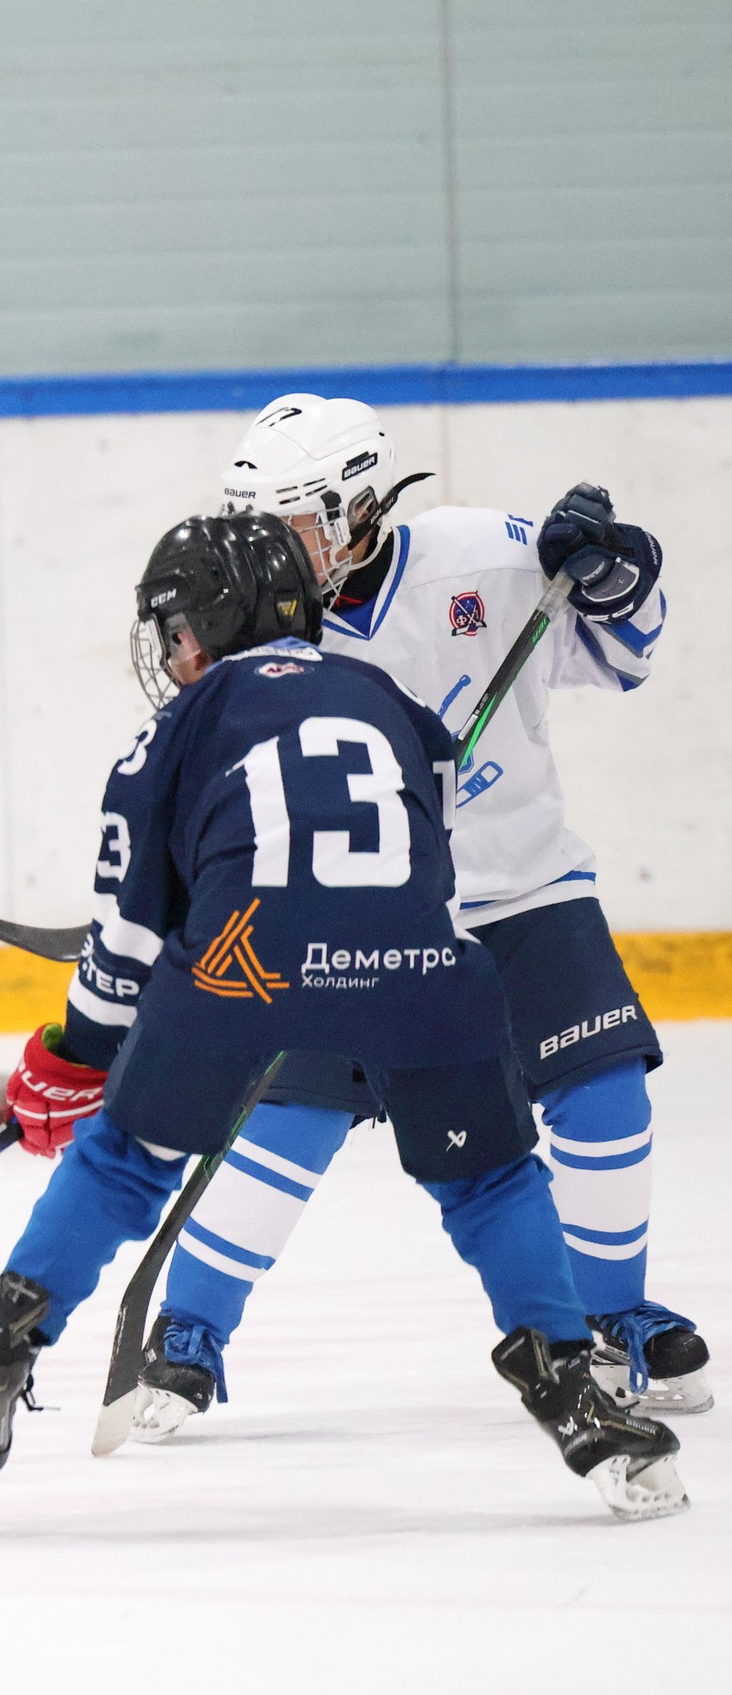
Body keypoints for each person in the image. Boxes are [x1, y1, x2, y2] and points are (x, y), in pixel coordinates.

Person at [0, 513, 686, 1523]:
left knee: (121, 1161)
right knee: (491, 1179)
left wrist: (76, 1057)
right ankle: (576, 1400)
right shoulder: (388, 698)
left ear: (212, 622)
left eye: (176, 630)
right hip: (420, 964)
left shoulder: (169, 735)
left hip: (243, 974)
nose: (171, 654)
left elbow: (123, 952)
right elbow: (427, 845)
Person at [127, 396, 704, 1438]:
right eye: (262, 524)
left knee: (603, 1085)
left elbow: (624, 653)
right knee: (290, 1123)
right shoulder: (252, 622)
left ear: (358, 504)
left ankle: (613, 1312)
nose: (278, 549)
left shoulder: (483, 556)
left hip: (523, 889)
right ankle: (189, 1331)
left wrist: (616, 576)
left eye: (297, 523)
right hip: (354, 912)